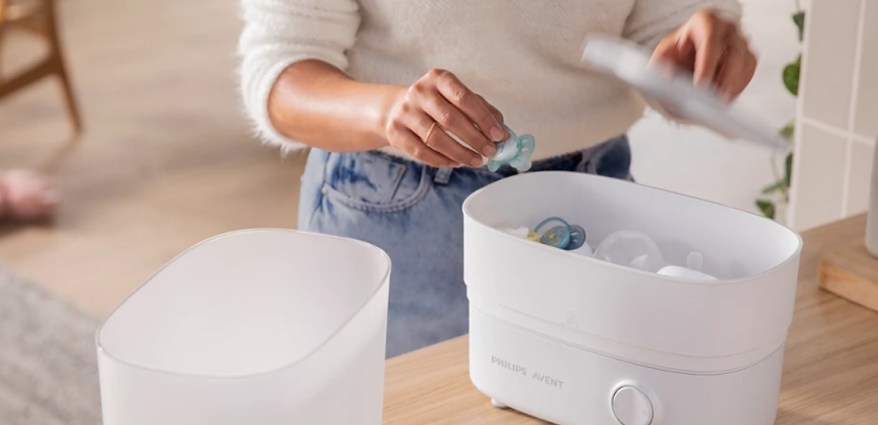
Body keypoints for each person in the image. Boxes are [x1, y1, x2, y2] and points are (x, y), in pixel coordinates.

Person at [238, 1, 757, 357]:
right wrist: (390, 112)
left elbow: (664, 28)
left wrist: (699, 61)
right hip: (401, 215)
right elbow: (283, 74)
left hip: (597, 202)